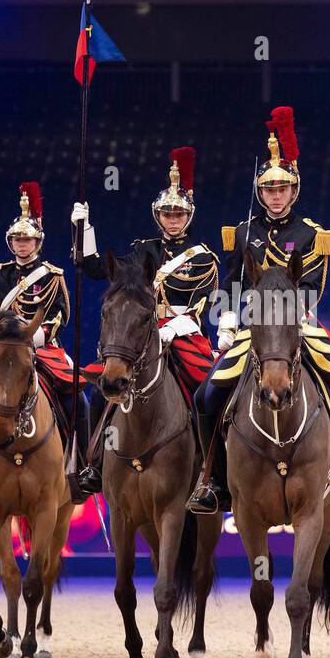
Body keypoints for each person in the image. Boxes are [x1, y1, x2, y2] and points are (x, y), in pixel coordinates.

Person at [188, 106, 330, 513]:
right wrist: (227, 319)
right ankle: (214, 482)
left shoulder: (310, 233)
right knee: (207, 395)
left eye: (281, 190)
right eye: (267, 190)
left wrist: (282, 311)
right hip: (253, 329)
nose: (274, 197)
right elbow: (231, 282)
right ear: (260, 194)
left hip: (297, 326)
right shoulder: (245, 231)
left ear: (293, 192)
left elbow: (313, 287)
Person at [73, 146, 220, 495]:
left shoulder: (203, 258)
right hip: (140, 337)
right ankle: (93, 464)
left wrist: (171, 326)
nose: (173, 219)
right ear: (158, 216)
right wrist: (83, 230)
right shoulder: (142, 251)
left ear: (189, 217)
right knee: (100, 391)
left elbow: (202, 304)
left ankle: (211, 469)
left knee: (209, 392)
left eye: (178, 214)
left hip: (183, 335)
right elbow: (97, 270)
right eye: (167, 213)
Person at [0, 181, 87, 501]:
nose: (23, 245)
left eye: (28, 239)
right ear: (11, 243)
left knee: (78, 399)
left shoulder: (52, 275)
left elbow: (62, 313)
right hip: (6, 350)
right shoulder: (1, 275)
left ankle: (83, 466)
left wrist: (40, 335)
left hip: (43, 346)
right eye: (18, 240)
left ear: (38, 241)